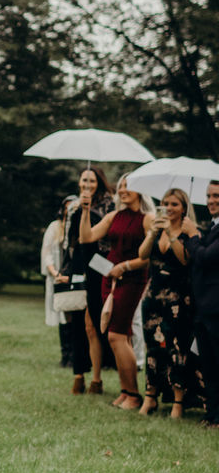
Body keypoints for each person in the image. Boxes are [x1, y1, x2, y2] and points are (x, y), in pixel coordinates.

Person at [79, 175, 155, 410]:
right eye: (120, 186)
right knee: (118, 336)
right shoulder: (114, 216)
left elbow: (150, 256)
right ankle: (125, 391)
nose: (122, 190)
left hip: (131, 280)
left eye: (128, 186)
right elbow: (86, 237)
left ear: (140, 190)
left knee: (117, 335)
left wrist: (126, 266)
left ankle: (133, 394)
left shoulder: (148, 219)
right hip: (108, 279)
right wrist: (85, 210)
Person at [136, 189, 199, 419]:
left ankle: (178, 401)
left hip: (177, 299)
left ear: (183, 208)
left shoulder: (189, 231)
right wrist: (153, 233)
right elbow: (142, 255)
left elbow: (185, 259)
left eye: (174, 204)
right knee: (152, 347)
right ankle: (150, 397)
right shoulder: (156, 228)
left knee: (177, 348)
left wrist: (173, 236)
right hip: (153, 297)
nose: (169, 208)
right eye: (165, 203)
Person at [53, 167, 113, 394]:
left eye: (93, 180)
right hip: (77, 268)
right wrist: (64, 270)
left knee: (93, 326)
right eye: (84, 180)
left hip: (98, 268)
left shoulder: (108, 206)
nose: (88, 184)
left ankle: (96, 379)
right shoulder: (74, 207)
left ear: (99, 182)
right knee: (77, 325)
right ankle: (78, 375)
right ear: (79, 182)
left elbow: (106, 243)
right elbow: (70, 244)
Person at [188, 179, 219, 429]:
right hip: (203, 307)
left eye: (217, 196)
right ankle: (212, 413)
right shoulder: (210, 228)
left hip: (216, 307)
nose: (211, 201)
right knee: (208, 363)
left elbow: (206, 257)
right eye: (209, 196)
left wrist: (192, 236)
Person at [41, 196, 76, 367]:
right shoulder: (54, 227)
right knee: (63, 315)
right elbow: (46, 254)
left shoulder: (78, 228)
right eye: (66, 208)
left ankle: (75, 356)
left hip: (74, 278)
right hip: (58, 277)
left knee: (74, 316)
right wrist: (56, 273)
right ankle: (65, 355)